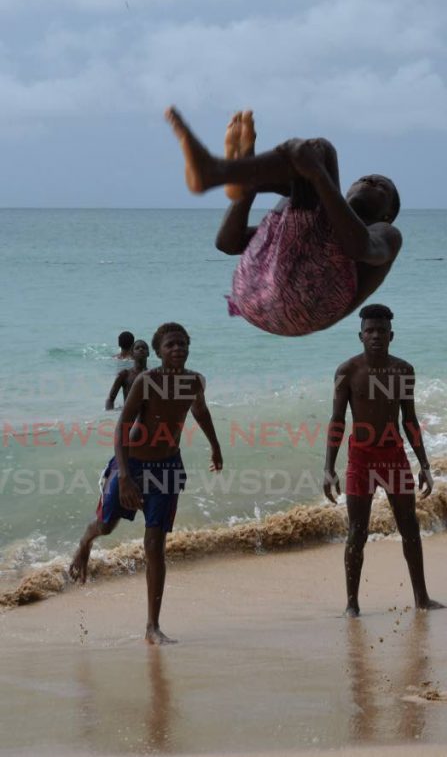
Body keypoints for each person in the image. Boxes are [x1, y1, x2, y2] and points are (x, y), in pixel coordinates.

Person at [165, 107, 403, 337]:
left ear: (387, 214)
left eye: (381, 187)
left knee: (322, 151)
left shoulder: (387, 232)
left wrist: (318, 174)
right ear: (347, 190)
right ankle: (240, 179)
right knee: (304, 173)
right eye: (364, 178)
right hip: (252, 297)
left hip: (313, 307)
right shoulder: (307, 225)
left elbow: (360, 248)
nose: (370, 180)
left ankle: (227, 173)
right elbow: (228, 242)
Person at [68, 322, 223, 645]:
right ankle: (85, 543)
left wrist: (216, 446)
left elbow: (201, 412)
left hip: (167, 467)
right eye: (170, 345)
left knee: (155, 545)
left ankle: (152, 626)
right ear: (158, 351)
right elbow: (122, 427)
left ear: (189, 348)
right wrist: (124, 476)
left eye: (182, 343)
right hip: (133, 463)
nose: (177, 348)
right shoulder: (144, 382)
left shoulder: (194, 382)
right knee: (106, 526)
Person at [323, 304, 446, 617]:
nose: (375, 336)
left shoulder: (403, 370)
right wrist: (328, 468)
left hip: (394, 456)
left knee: (410, 528)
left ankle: (421, 598)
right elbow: (337, 420)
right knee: (357, 532)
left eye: (381, 331)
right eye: (370, 331)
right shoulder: (347, 371)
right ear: (360, 335)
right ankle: (352, 603)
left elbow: (410, 420)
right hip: (360, 459)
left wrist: (425, 465)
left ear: (391, 335)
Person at [106, 339, 149, 410]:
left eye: (143, 348)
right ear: (132, 354)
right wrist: (110, 416)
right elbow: (110, 399)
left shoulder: (153, 375)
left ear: (148, 353)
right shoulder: (124, 374)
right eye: (137, 348)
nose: (141, 349)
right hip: (129, 415)